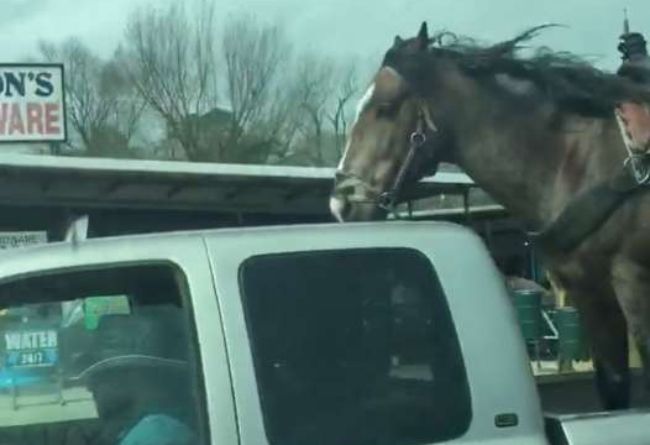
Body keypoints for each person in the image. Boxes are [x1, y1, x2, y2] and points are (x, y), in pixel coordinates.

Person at [72, 307, 197, 445]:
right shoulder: (136, 427)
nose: (90, 386)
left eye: (99, 377)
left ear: (130, 376)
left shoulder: (155, 434)